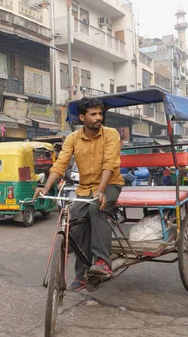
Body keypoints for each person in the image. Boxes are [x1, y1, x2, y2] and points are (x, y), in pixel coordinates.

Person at [34, 97, 124, 292]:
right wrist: (46, 188)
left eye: (100, 114)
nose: (98, 117)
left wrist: (100, 192)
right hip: (85, 188)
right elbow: (60, 164)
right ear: (82, 117)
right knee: (75, 220)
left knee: (95, 207)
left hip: (109, 185)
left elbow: (110, 163)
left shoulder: (111, 134)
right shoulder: (73, 138)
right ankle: (82, 273)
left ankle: (102, 262)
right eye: (93, 114)